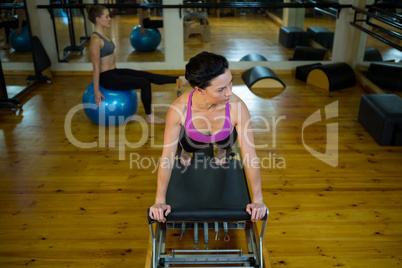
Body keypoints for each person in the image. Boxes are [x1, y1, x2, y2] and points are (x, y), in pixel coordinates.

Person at [149, 51, 267, 223]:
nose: (229, 93)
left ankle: (221, 151)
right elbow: (167, 156)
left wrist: (258, 200)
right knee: (187, 147)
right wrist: (159, 201)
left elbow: (250, 155)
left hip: (224, 137)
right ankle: (185, 153)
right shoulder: (179, 109)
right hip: (191, 139)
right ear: (199, 90)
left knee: (225, 140)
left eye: (230, 84)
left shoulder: (236, 106)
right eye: (221, 89)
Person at [85, 5, 186, 124]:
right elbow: (96, 67)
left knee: (146, 75)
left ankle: (179, 79)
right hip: (107, 78)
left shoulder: (104, 35)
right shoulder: (95, 40)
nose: (110, 18)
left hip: (114, 72)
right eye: (106, 16)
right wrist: (96, 91)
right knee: (144, 83)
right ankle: (150, 116)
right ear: (98, 19)